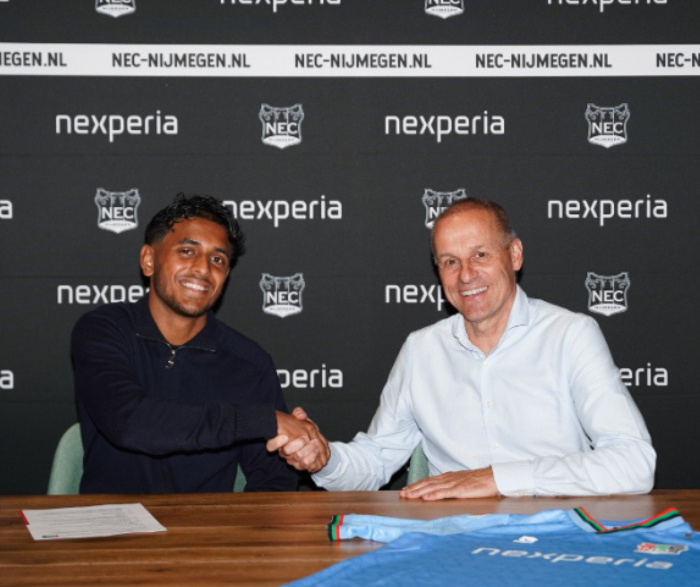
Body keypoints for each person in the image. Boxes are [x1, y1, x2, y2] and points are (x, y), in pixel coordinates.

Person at [269, 197, 656, 498]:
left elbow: (634, 463)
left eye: (480, 255)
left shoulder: (571, 335)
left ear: (515, 255)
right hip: (454, 541)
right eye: (450, 261)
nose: (466, 275)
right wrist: (325, 458)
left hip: (557, 538)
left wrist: (497, 478)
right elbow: (376, 461)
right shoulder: (421, 349)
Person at [72, 193, 326, 493]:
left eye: (218, 259)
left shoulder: (249, 362)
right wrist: (262, 419)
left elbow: (274, 482)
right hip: (109, 519)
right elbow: (130, 423)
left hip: (206, 522)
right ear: (149, 260)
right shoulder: (105, 330)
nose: (204, 269)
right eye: (187, 251)